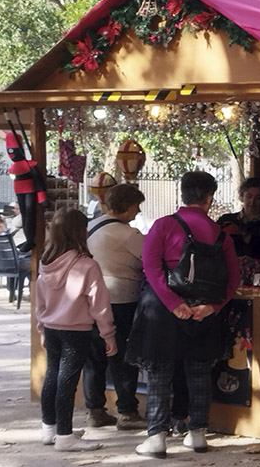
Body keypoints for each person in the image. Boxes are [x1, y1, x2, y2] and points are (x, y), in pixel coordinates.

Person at [126, 171, 240, 459]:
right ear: (209, 198)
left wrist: (172, 302)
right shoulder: (221, 234)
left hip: (163, 312)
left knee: (159, 373)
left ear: (182, 194)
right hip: (204, 311)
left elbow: (151, 268)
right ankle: (198, 434)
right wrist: (212, 307)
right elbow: (233, 279)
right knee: (199, 372)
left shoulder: (163, 225)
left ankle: (156, 438)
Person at [35, 208, 116, 452]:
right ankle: (65, 436)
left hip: (51, 328)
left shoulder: (45, 263)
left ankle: (49, 430)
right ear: (81, 232)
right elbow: (99, 305)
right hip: (76, 330)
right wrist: (108, 334)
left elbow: (39, 302)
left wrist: (41, 329)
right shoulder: (87, 265)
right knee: (67, 382)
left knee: (52, 376)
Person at [81, 184, 148, 431]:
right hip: (121, 301)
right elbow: (150, 258)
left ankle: (95, 410)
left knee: (94, 358)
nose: (138, 212)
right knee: (122, 357)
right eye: (137, 207)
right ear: (129, 207)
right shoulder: (129, 235)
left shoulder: (89, 227)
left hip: (90, 300)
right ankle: (127, 411)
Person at [217, 177, 260, 287]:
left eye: (258, 198)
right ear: (242, 196)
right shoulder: (226, 220)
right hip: (227, 279)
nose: (252, 202)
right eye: (248, 196)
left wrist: (245, 236)